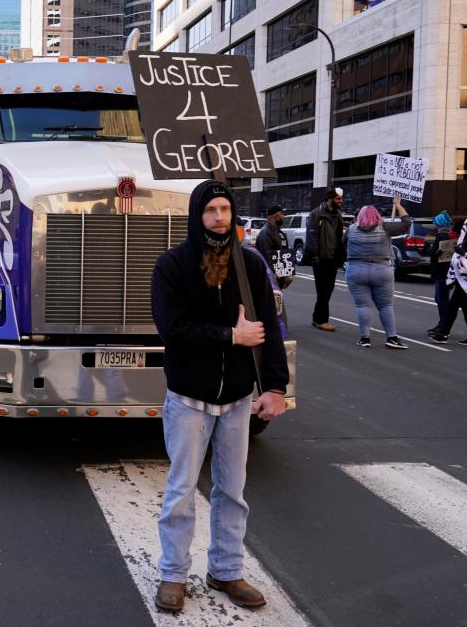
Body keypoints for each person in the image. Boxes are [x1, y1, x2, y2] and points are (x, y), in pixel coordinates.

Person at [150, 180, 289, 614]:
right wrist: (232, 335)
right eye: (211, 210)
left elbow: (267, 330)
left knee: (233, 492)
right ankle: (173, 575)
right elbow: (172, 329)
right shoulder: (172, 266)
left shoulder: (249, 266)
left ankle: (226, 570)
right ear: (198, 215)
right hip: (189, 399)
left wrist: (275, 387)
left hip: (236, 403)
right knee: (181, 491)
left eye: (225, 209)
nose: (219, 218)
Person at [344, 199, 410, 348]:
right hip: (382, 269)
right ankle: (392, 338)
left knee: (363, 306)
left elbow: (343, 245)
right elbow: (406, 223)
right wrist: (398, 205)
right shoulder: (386, 227)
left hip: (356, 269)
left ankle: (365, 338)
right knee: (386, 305)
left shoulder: (351, 229)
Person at [430, 216, 467, 346]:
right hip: (463, 281)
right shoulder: (461, 241)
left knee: (453, 307)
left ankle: (443, 334)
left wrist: (464, 254)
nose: (452, 228)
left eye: (454, 226)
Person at [304, 188, 346, 332]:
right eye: (338, 199)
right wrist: (315, 256)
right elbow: (311, 236)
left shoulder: (338, 214)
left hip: (333, 258)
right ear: (330, 199)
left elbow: (339, 236)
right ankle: (322, 320)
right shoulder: (316, 214)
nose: (341, 201)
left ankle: (317, 318)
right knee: (323, 290)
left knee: (328, 290)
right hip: (321, 258)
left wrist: (341, 256)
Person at [428, 210, 454, 336]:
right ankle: (442, 323)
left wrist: (430, 250)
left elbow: (441, 255)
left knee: (442, 300)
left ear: (439, 225)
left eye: (435, 224)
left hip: (442, 274)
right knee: (440, 299)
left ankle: (444, 325)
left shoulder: (442, 236)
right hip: (443, 274)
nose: (434, 226)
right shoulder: (445, 236)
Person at [255, 204, 293, 288]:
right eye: (281, 214)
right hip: (270, 276)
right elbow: (266, 255)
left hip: (279, 274)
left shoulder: (279, 232)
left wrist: (287, 273)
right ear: (274, 216)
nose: (283, 217)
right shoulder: (266, 233)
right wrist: (272, 272)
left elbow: (284, 253)